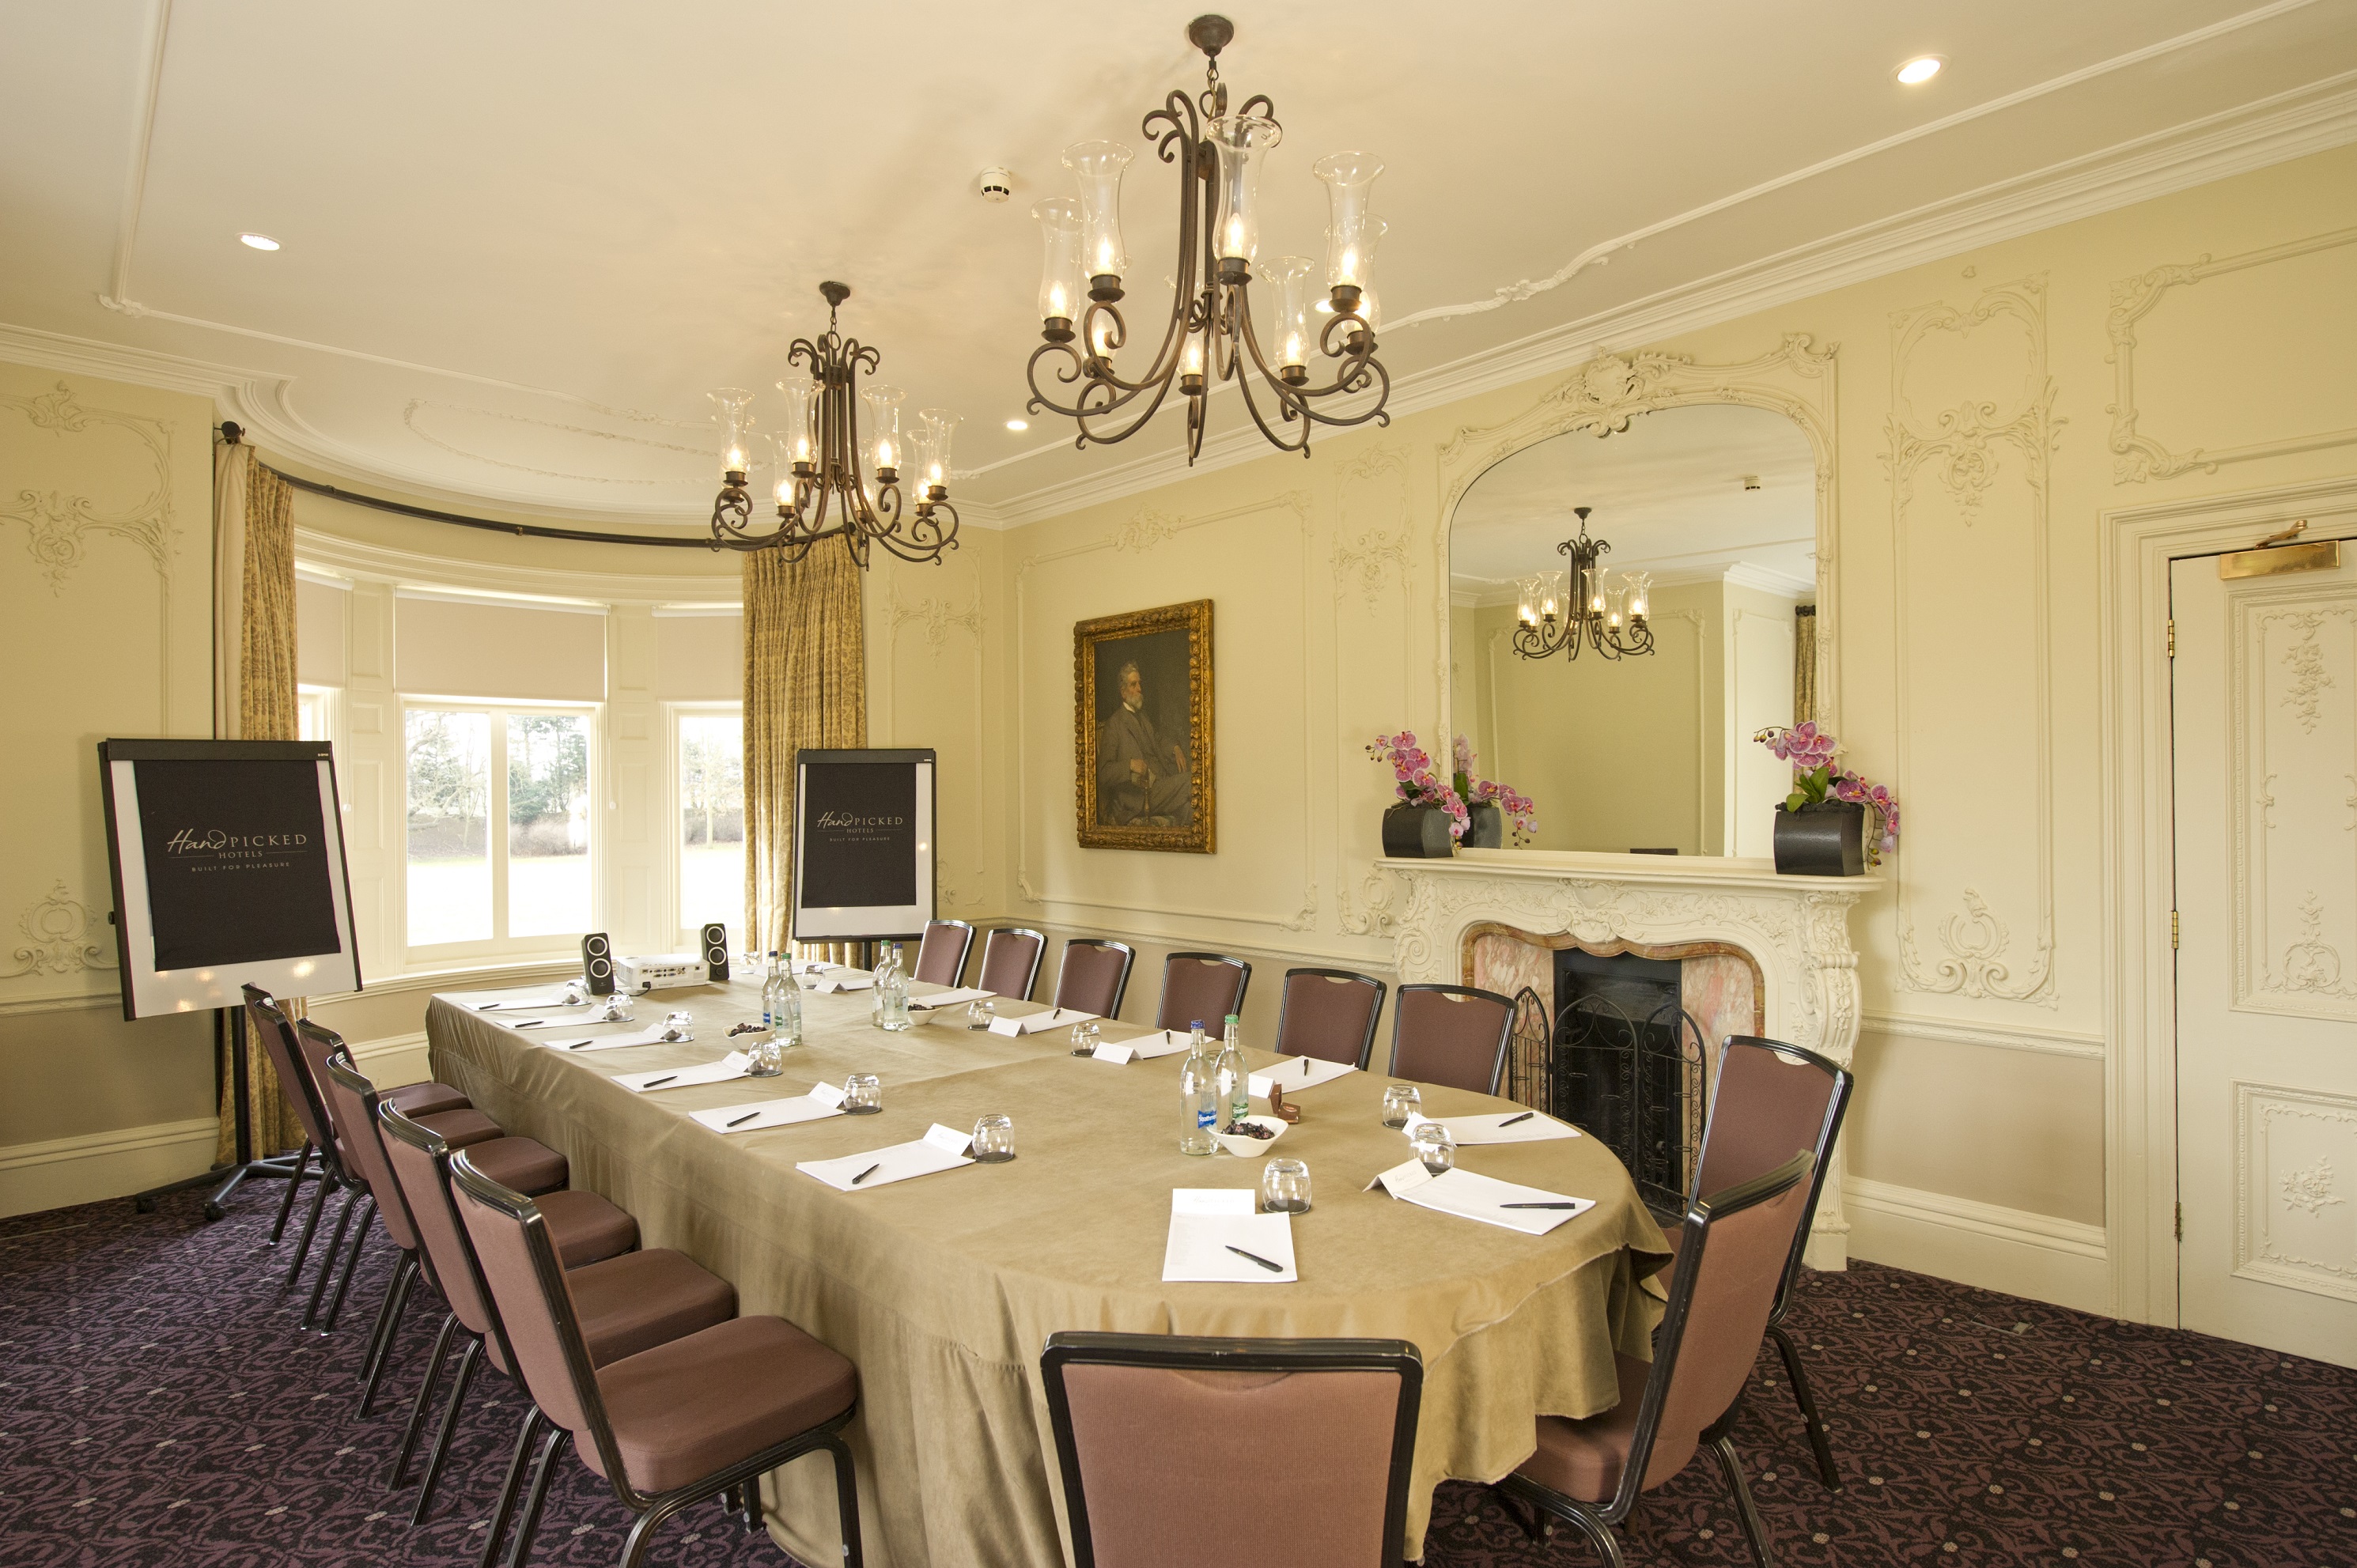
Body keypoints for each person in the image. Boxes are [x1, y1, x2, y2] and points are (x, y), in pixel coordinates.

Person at [1095, 659, 1192, 827]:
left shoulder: (1143, 717)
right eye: (1134, 685)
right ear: (1123, 692)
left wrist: (1175, 748)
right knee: (1193, 781)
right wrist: (1130, 765)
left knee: (1191, 810)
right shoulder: (1115, 724)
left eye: (1139, 684)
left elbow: (1157, 740)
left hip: (1160, 785)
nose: (1140, 689)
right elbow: (1104, 772)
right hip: (1138, 797)